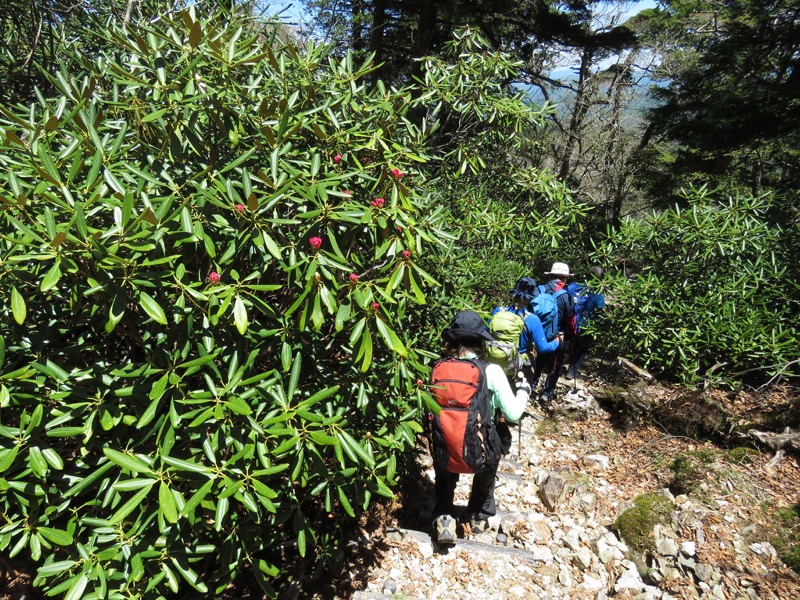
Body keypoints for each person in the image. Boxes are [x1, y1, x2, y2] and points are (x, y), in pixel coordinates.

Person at [430, 310, 530, 544]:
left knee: (446, 449)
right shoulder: (491, 370)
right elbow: (513, 413)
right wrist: (524, 391)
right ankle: (479, 515)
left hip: (445, 450)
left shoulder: (438, 367)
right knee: (493, 443)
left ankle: (445, 514)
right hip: (480, 452)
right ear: (480, 341)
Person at [490, 277, 563, 386]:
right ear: (531, 298)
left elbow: (486, 334)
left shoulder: (497, 311)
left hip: (495, 360)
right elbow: (543, 348)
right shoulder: (532, 319)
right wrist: (558, 341)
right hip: (518, 365)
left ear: (514, 294)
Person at [531, 262, 576, 406]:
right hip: (556, 336)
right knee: (555, 366)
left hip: (535, 335)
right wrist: (572, 335)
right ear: (564, 278)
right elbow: (571, 320)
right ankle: (547, 392)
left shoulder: (539, 290)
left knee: (536, 362)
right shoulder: (566, 296)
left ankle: (530, 385)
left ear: (550, 276)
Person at [566, 266, 606, 379]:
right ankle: (572, 370)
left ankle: (564, 368)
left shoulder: (572, 286)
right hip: (586, 325)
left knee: (572, 345)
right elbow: (600, 308)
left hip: (570, 322)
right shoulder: (597, 292)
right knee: (583, 348)